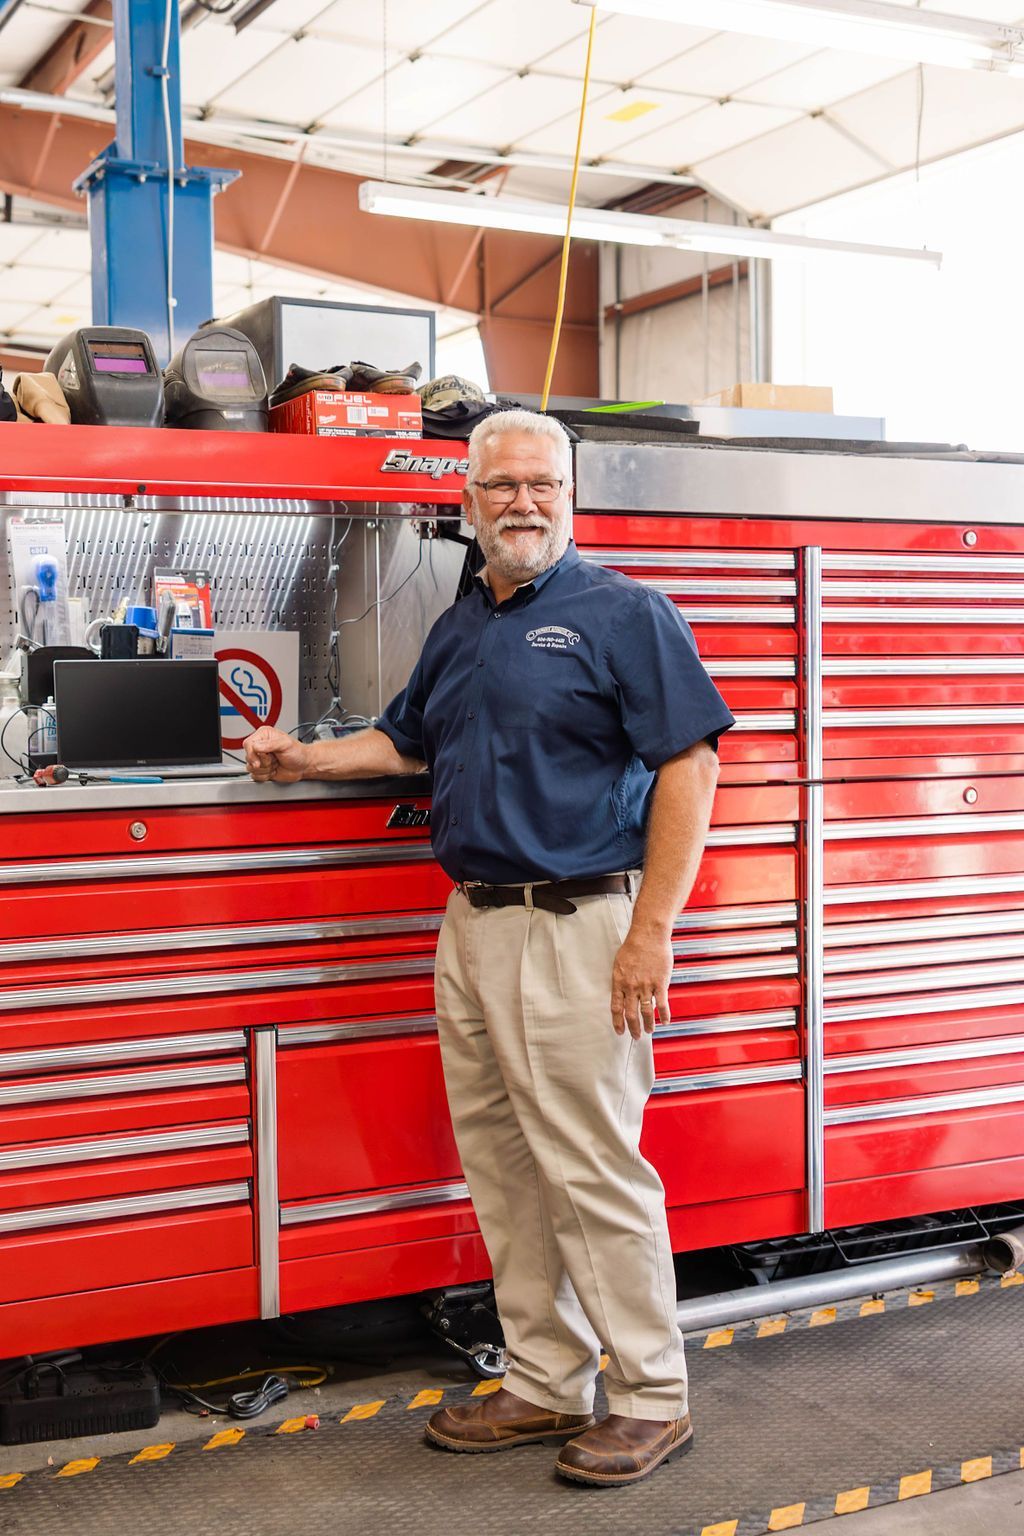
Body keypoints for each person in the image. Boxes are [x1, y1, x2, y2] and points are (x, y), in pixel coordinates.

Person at [245, 408, 735, 1487]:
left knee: (595, 1170)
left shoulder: (622, 615)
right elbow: (402, 741)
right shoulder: (462, 624)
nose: (523, 501)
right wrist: (301, 760)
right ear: (466, 505)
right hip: (472, 925)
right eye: (501, 485)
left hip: (580, 923)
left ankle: (651, 1396)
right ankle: (545, 1379)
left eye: (542, 484)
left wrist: (651, 932)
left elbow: (690, 768)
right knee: (506, 1170)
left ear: (571, 496)